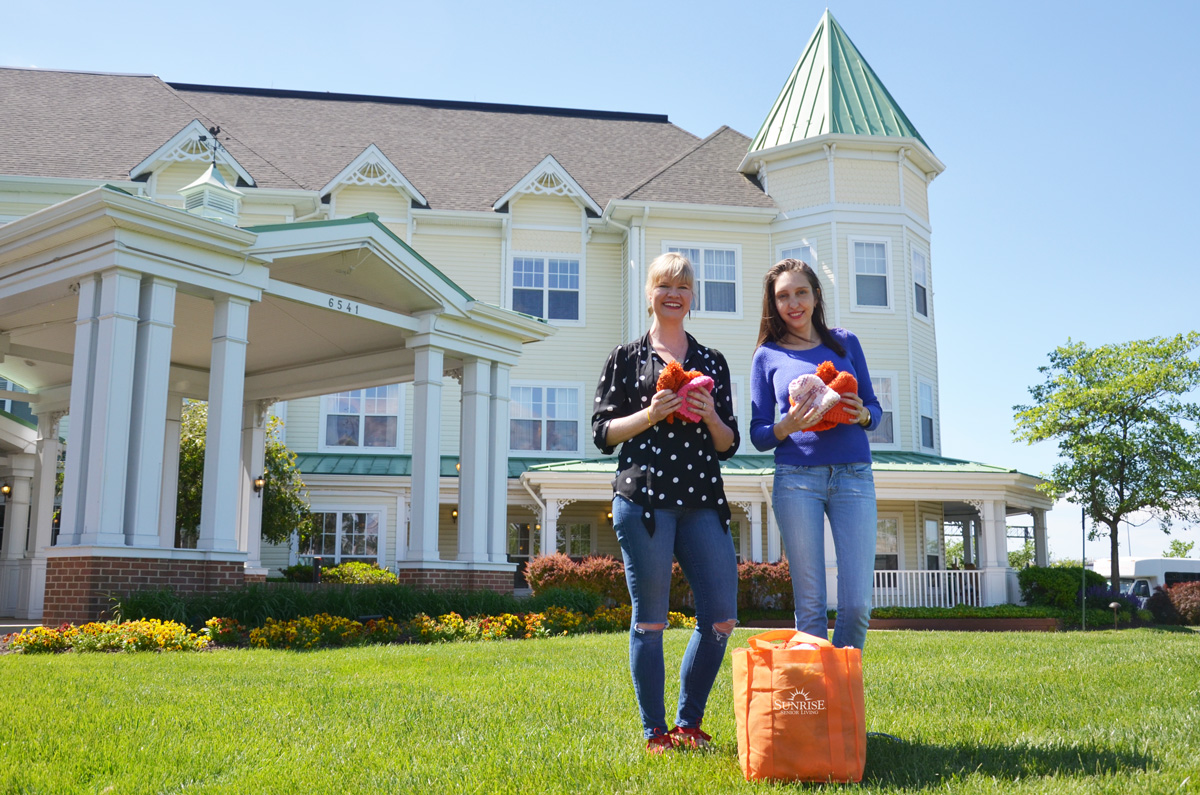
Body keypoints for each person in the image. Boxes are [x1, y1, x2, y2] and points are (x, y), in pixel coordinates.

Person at [592, 251, 740, 753]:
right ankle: (655, 733)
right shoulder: (625, 358)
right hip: (645, 501)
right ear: (650, 295)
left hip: (702, 500)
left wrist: (711, 414)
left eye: (682, 286)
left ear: (692, 297)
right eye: (663, 286)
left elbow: (728, 442)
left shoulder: (711, 362)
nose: (673, 294)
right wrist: (651, 415)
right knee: (651, 619)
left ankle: (688, 723)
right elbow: (603, 433)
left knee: (721, 616)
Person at [749, 258, 881, 650]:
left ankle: (842, 696)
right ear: (773, 304)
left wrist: (863, 415)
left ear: (816, 295)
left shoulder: (846, 343)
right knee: (810, 609)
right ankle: (816, 706)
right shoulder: (767, 356)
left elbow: (874, 409)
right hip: (796, 478)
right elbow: (758, 434)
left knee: (857, 606)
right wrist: (788, 425)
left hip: (854, 475)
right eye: (783, 296)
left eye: (800, 292)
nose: (793, 303)